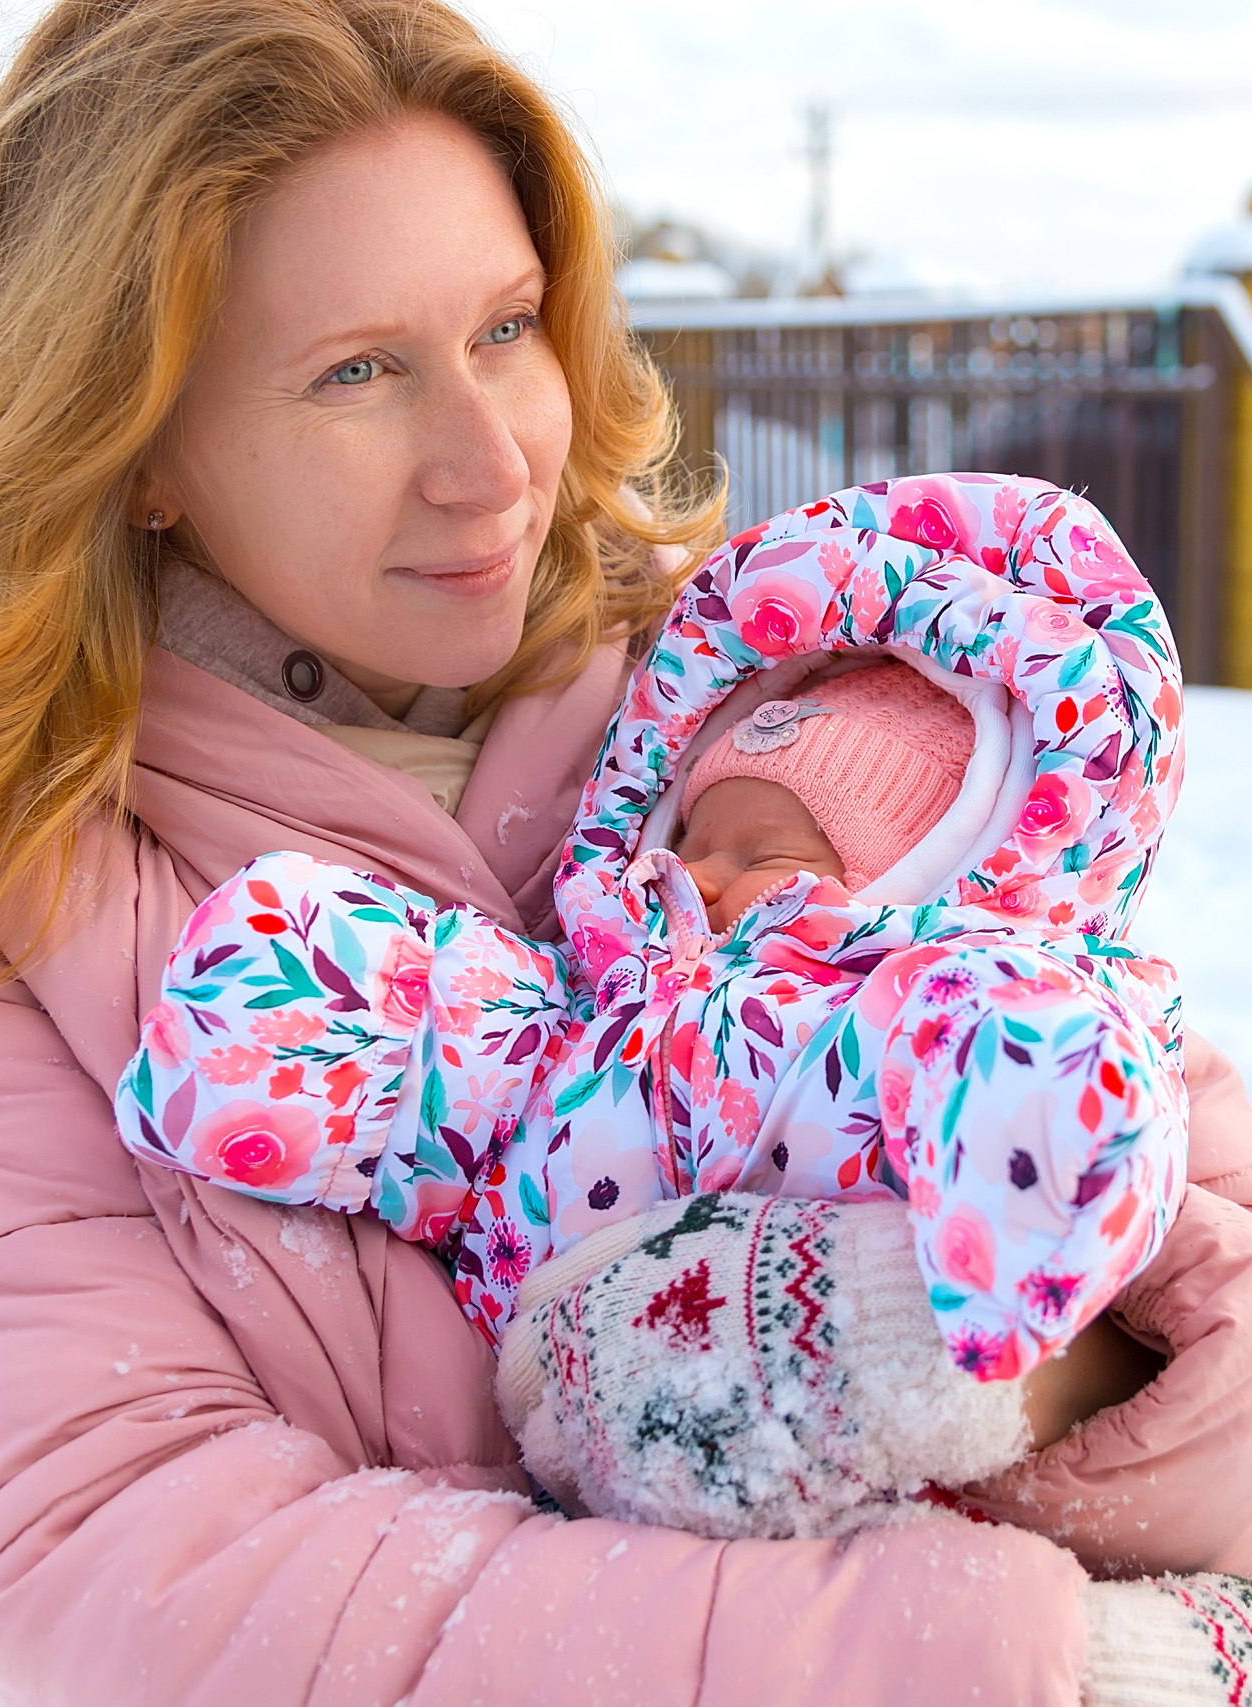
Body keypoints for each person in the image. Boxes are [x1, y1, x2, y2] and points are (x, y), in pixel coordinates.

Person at [0, 2, 1252, 1701]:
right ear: (138, 436)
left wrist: (987, 1353)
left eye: (508, 328)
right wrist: (1000, 1666)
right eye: (357, 372)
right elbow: (119, 1591)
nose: (493, 460)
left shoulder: (758, 705)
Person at [116, 483, 1189, 1388]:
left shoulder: (890, 1019)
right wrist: (304, 990)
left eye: (767, 856)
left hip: (776, 1373)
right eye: (696, 837)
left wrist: (1049, 1113)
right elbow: (478, 1053)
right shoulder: (597, 1003)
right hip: (539, 1361)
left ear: (914, 881)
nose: (701, 876)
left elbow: (1014, 1061)